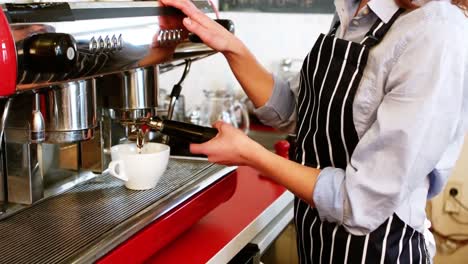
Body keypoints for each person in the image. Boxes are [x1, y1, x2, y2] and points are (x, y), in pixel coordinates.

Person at [159, 0, 468, 262]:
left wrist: (251, 154)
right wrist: (229, 45)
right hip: (317, 235)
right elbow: (295, 109)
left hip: (377, 247)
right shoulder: (352, 9)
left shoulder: (437, 32)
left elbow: (360, 201)